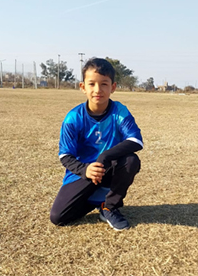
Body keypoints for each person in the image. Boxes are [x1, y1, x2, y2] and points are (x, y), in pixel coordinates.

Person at [49, 58, 143, 231]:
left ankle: (109, 207)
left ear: (113, 87)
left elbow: (136, 141)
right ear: (83, 87)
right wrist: (85, 169)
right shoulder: (73, 118)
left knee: (131, 160)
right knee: (58, 217)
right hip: (83, 172)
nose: (98, 90)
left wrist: (104, 156)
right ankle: (97, 200)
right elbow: (65, 155)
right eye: (92, 84)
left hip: (108, 167)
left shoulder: (119, 112)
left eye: (104, 84)